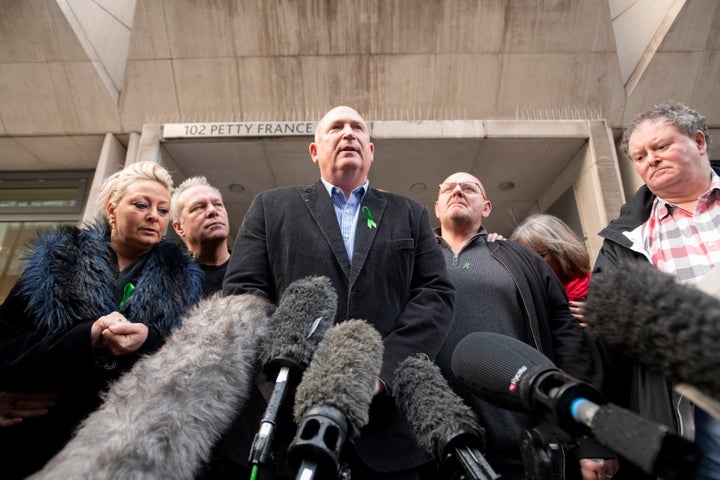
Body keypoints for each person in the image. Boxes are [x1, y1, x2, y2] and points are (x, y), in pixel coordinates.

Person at [222, 105, 455, 479]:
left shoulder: (409, 213)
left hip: (388, 430)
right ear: (315, 151)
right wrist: (291, 364)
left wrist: (381, 370)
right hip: (294, 423)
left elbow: (436, 294)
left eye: (357, 128)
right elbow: (244, 293)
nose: (348, 133)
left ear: (371, 149)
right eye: (336, 127)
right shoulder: (271, 207)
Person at [0, 161, 204, 479]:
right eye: (141, 204)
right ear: (112, 209)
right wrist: (85, 338)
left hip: (126, 451)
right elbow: (5, 343)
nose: (154, 215)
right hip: (40, 441)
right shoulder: (55, 262)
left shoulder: (184, 281)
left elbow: (190, 368)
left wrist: (148, 341)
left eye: (163, 210)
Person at [433, 172, 616, 480]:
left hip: (522, 447)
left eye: (470, 188)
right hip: (430, 448)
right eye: (449, 188)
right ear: (437, 207)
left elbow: (567, 340)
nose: (458, 191)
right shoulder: (412, 260)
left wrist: (589, 440)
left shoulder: (521, 258)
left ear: (487, 207)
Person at [593, 102, 720, 480]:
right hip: (698, 418)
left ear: (699, 141)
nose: (651, 160)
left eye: (661, 147)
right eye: (640, 156)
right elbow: (607, 351)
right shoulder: (622, 243)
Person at [510, 213, 592, 323]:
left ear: (562, 252)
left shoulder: (603, 293)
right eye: (524, 260)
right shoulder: (530, 303)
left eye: (539, 256)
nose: (531, 265)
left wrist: (602, 322)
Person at [171, 175, 231, 297]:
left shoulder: (252, 270)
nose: (213, 211)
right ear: (178, 227)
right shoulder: (168, 282)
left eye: (218, 204)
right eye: (199, 207)